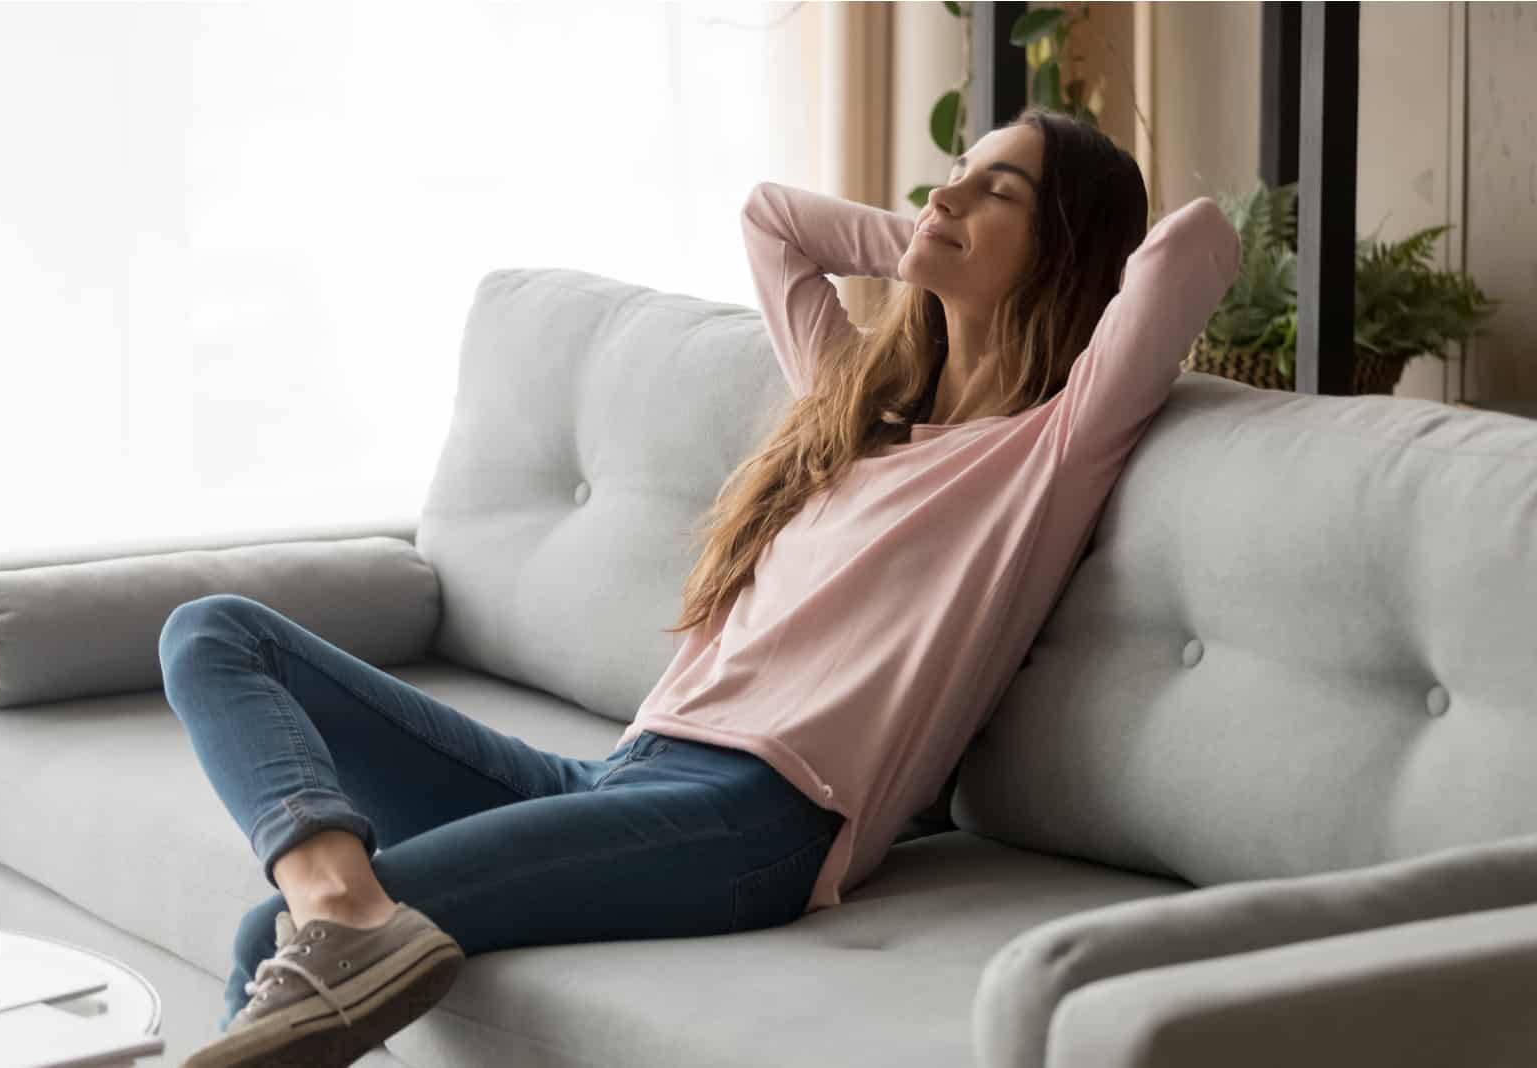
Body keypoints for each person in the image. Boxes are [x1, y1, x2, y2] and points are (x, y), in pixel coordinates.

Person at [160, 103, 1241, 1067]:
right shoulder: (853, 411)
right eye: (951, 170)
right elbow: (772, 219)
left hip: (759, 818)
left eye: (995, 189)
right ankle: (345, 900)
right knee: (214, 634)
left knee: (273, 940)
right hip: (620, 777)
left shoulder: (1049, 448)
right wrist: (923, 240)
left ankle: (342, 919)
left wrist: (972, 245)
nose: (945, 190)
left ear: (1062, 247)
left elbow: (1198, 244)